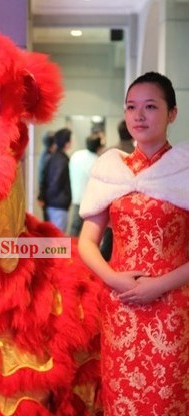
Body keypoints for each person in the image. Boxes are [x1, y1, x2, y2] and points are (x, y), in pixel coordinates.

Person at [78, 71, 189, 415]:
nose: (139, 116)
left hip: (172, 307)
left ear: (172, 113)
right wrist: (114, 279)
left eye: (151, 106)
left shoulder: (184, 170)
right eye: (131, 107)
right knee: (121, 401)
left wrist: (159, 285)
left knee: (167, 399)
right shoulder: (112, 169)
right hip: (120, 306)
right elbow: (87, 243)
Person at [99, 120, 134, 260]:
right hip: (132, 211)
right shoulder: (138, 155)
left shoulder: (106, 152)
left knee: (106, 251)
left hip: (110, 207)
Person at [68, 133, 105, 236]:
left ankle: (71, 251)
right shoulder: (97, 161)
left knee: (74, 229)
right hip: (91, 202)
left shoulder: (76, 155)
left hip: (77, 198)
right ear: (98, 147)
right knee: (90, 232)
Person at [38, 128, 72, 232]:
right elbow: (56, 183)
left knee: (54, 239)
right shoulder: (61, 160)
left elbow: (43, 178)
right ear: (66, 143)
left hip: (53, 204)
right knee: (58, 241)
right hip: (57, 205)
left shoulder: (50, 157)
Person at [37, 131, 56, 220]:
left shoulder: (45, 154)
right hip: (47, 196)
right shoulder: (47, 157)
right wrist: (41, 196)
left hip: (46, 195)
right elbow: (42, 177)